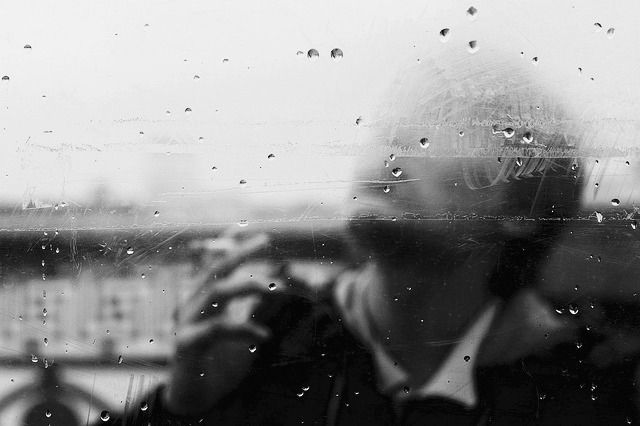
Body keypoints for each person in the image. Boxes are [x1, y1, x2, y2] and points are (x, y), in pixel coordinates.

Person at [102, 50, 640, 425]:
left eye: (450, 122)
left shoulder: (598, 387)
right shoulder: (265, 341)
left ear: (522, 209)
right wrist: (182, 410)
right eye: (388, 123)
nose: (396, 142)